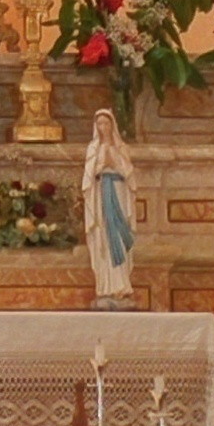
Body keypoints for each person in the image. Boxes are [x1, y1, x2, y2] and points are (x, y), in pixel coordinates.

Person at [83, 105, 138, 309]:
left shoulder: (121, 147)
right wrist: (100, 163)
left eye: (106, 123)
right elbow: (88, 178)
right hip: (101, 193)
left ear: (112, 124)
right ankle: (105, 285)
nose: (102, 126)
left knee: (119, 236)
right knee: (104, 238)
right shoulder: (93, 148)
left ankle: (121, 284)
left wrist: (114, 162)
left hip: (118, 191)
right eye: (99, 123)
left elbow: (129, 175)